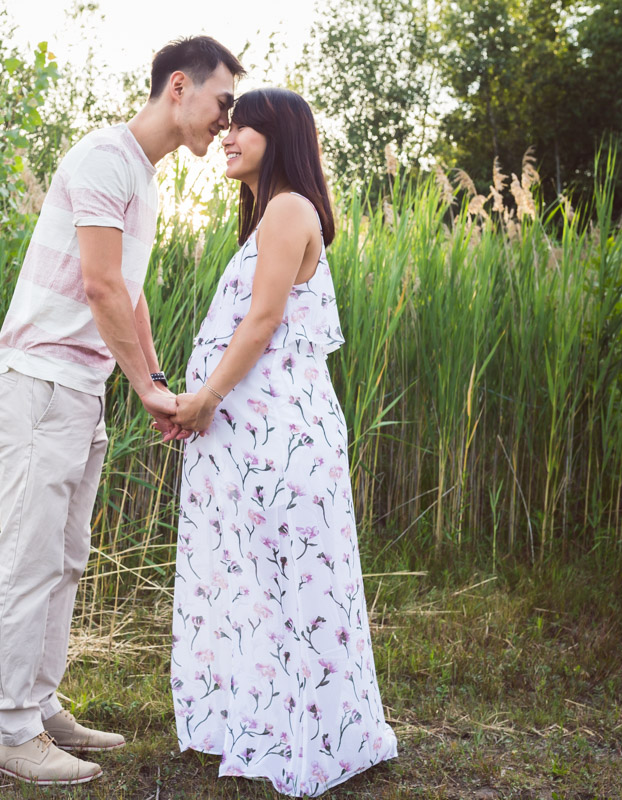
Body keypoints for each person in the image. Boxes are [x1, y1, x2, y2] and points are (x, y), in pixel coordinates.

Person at [0, 37, 245, 786]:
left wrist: (151, 377)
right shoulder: (103, 158)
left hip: (79, 387)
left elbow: (128, 294)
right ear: (179, 88)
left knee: (65, 557)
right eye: (224, 103)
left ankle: (38, 703)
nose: (227, 123)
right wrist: (147, 391)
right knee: (28, 558)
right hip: (40, 381)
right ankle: (4, 731)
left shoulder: (145, 178)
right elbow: (97, 286)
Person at [168, 88, 399, 796]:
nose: (228, 134)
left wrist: (205, 397)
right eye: (228, 122)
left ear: (280, 135)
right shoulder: (272, 213)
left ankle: (307, 736)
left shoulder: (290, 207)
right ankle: (266, 718)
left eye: (244, 126)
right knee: (256, 582)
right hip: (253, 433)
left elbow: (263, 320)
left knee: (285, 580)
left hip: (277, 436)